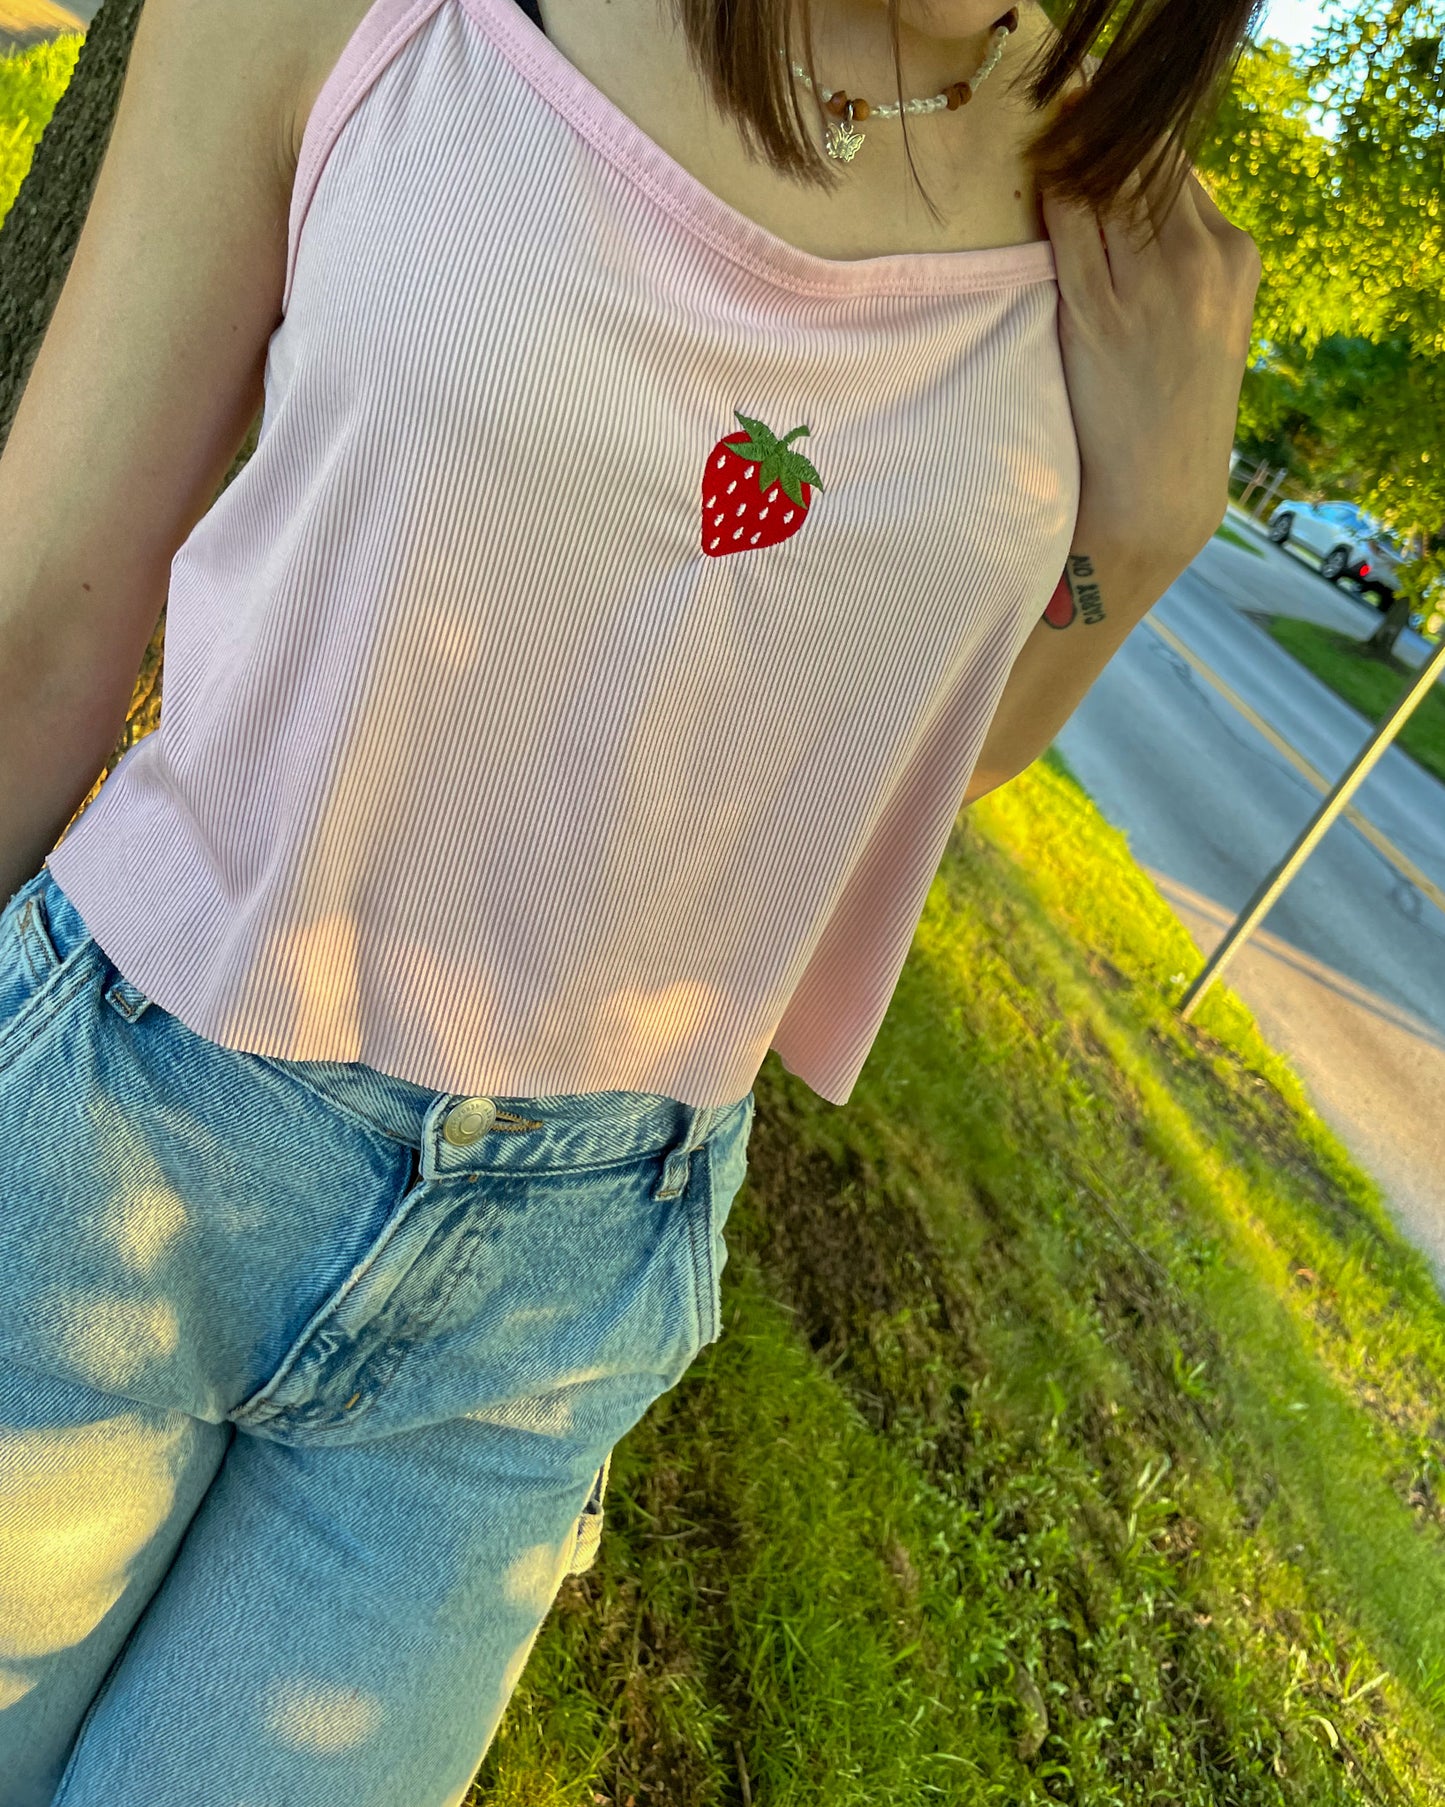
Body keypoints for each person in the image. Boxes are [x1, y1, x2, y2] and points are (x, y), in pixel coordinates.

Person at [0, 0, 1261, 1794]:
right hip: (115, 1127)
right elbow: (43, 608)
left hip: (553, 1298)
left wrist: (1133, 541)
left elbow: (897, 757)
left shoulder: (1125, 250)